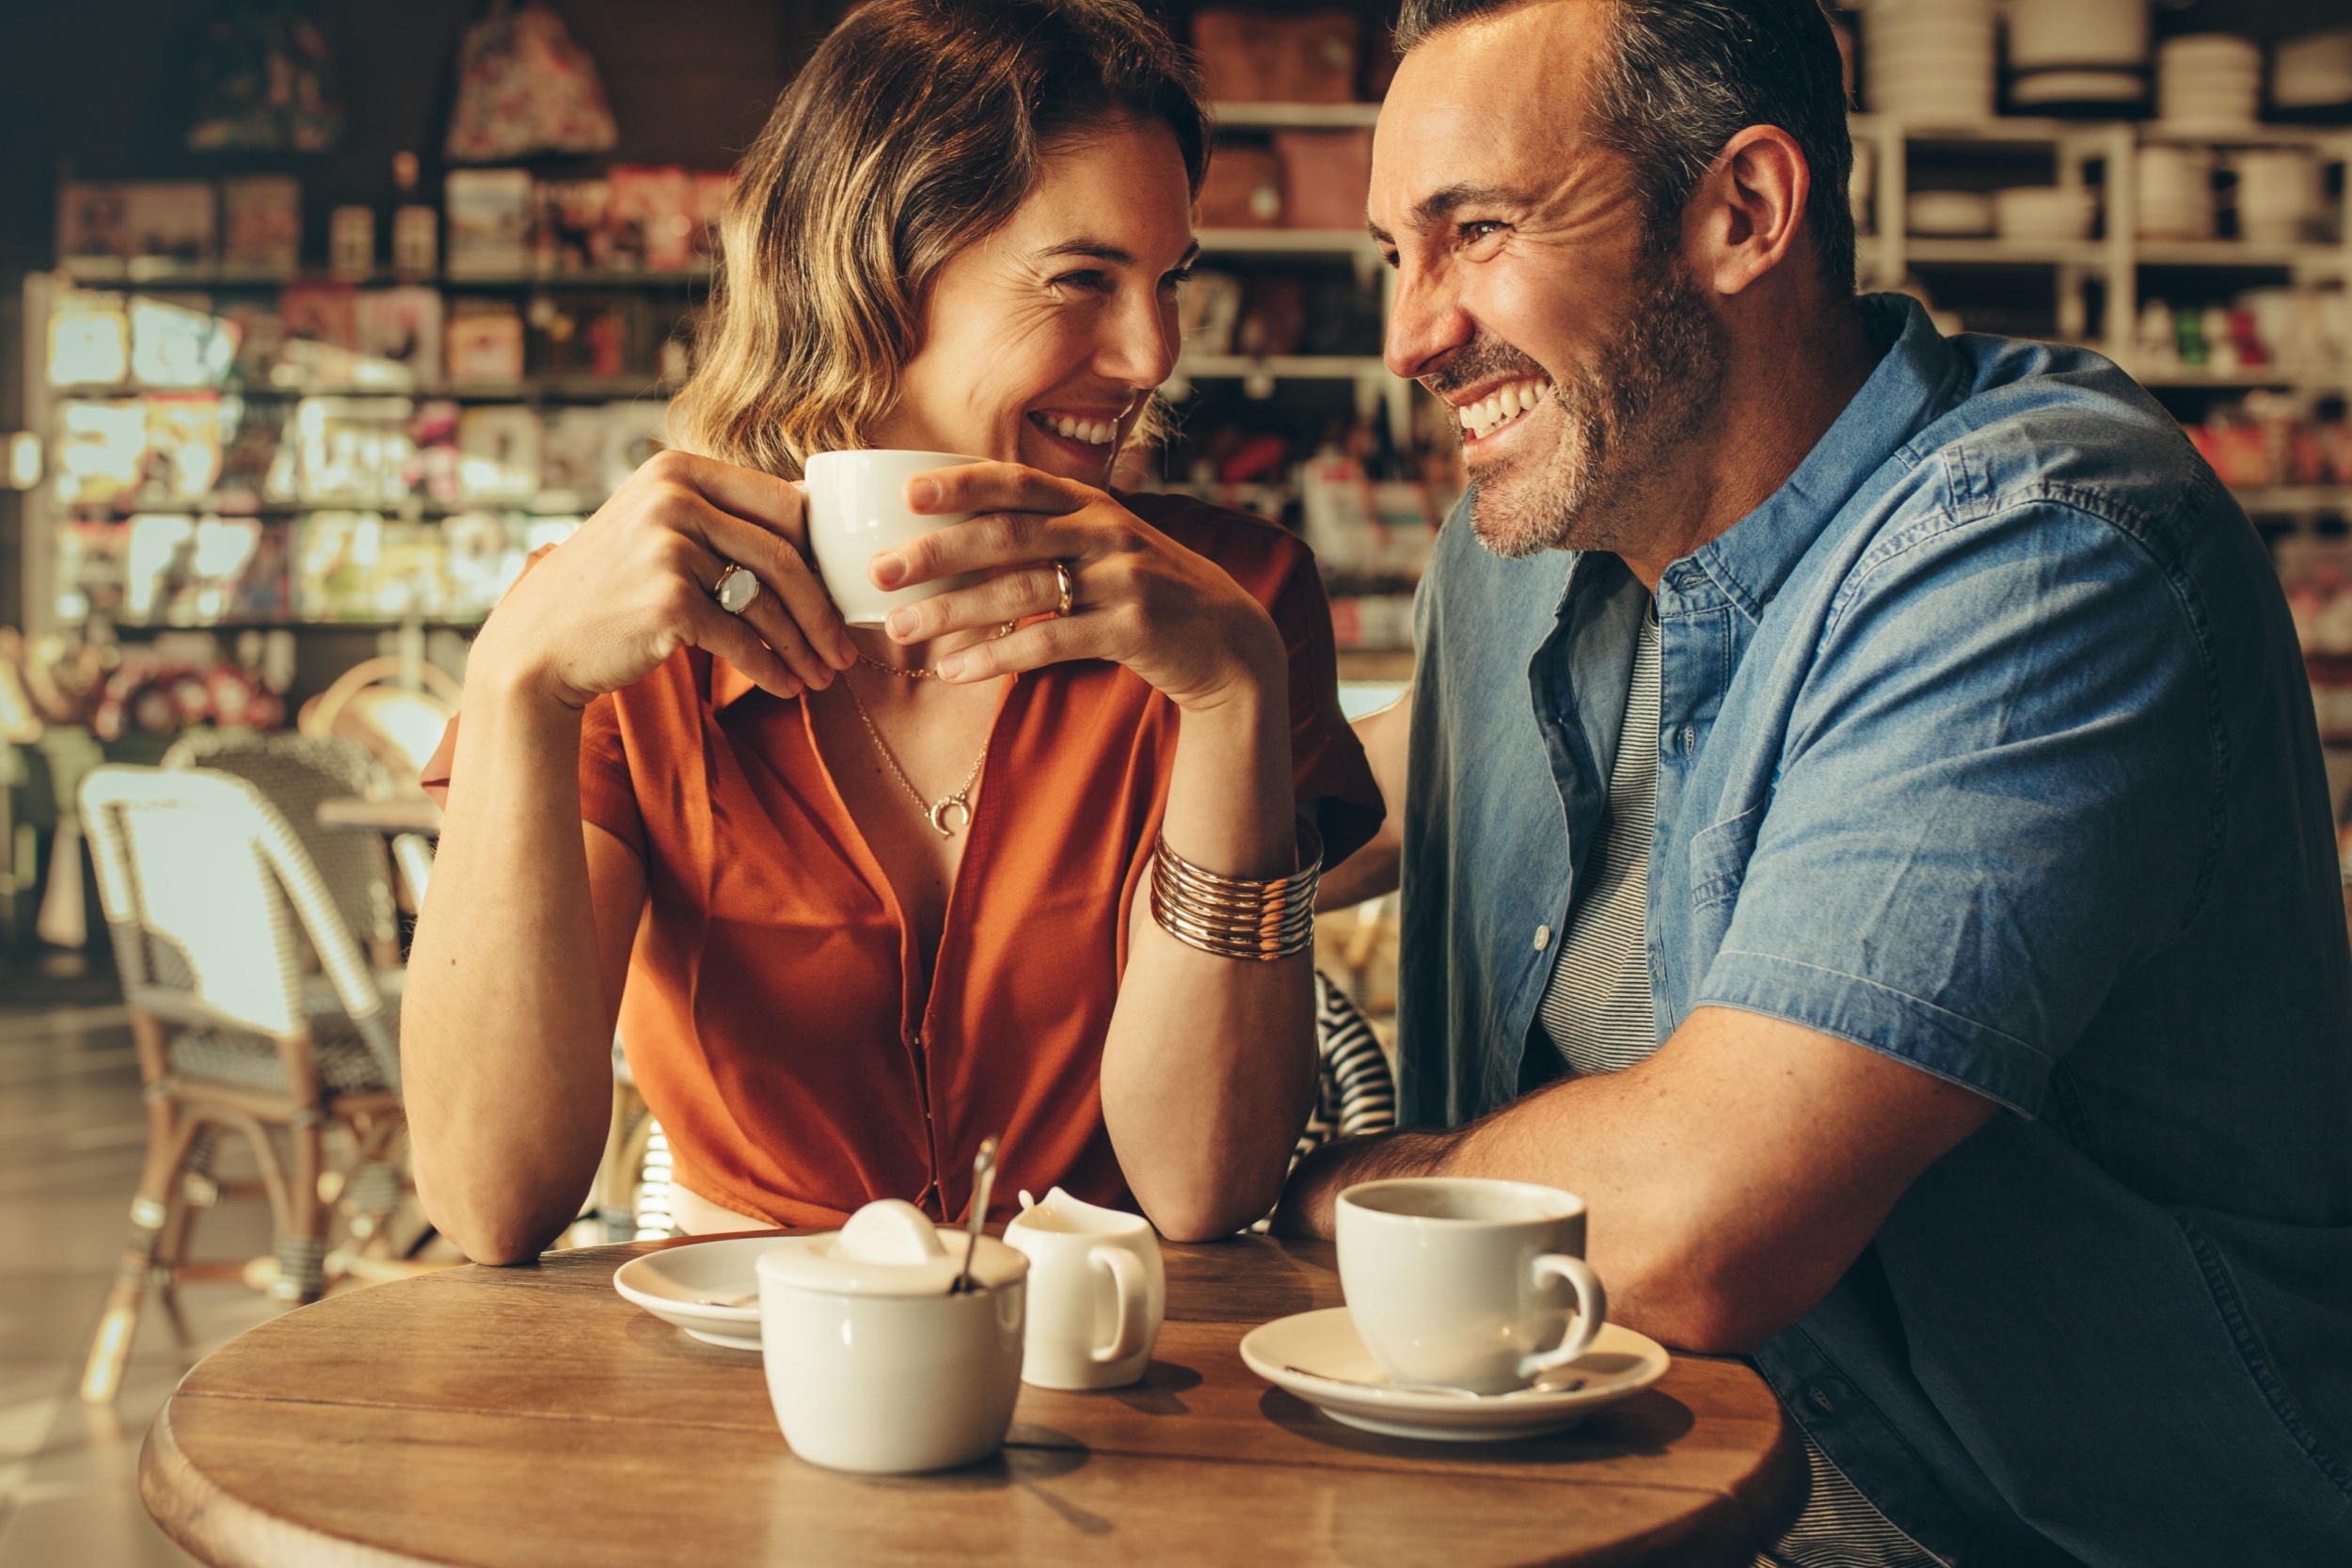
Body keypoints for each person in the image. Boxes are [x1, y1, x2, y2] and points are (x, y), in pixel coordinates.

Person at [1279, 3, 2352, 1564]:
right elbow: (1376, 786)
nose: (1413, 335)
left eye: (1480, 231)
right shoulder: (1524, 546)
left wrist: (1349, 1182)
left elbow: (1696, 1225)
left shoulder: (2040, 551)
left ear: (1745, 213)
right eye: (1399, 252)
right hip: (1625, 1502)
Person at [402, 0, 1379, 1261]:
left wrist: (1236, 695)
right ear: (871, 268)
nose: (1154, 353)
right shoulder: (622, 629)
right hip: (737, 1382)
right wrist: (518, 686)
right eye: (1084, 278)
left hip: (1122, 1397)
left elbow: (1201, 1185)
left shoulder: (1231, 607)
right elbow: (489, 1201)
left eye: (1169, 281)